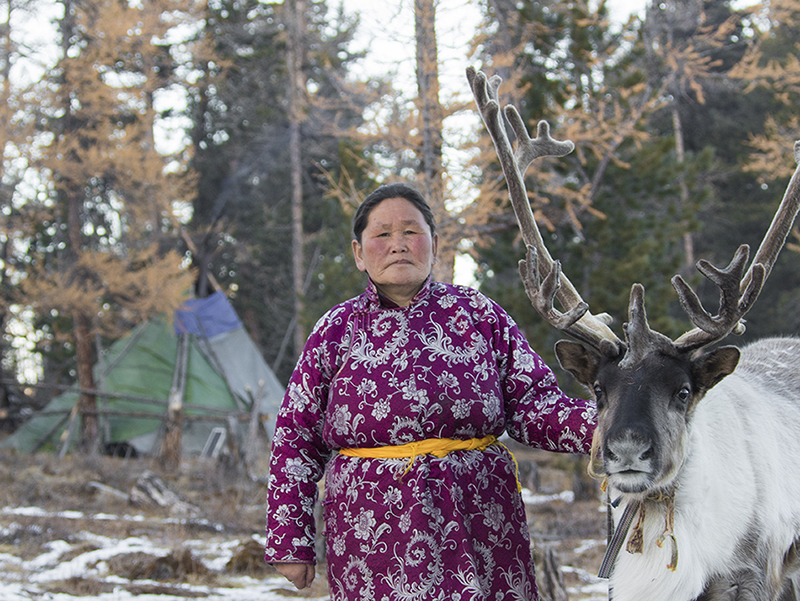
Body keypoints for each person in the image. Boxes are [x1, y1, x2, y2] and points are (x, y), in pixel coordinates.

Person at [264, 182, 596, 600]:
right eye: (382, 235)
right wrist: (290, 540)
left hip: (479, 518)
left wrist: (606, 427)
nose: (398, 245)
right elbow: (296, 436)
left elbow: (533, 404)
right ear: (358, 253)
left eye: (411, 232)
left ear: (434, 244)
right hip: (373, 530)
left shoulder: (478, 314)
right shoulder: (336, 329)